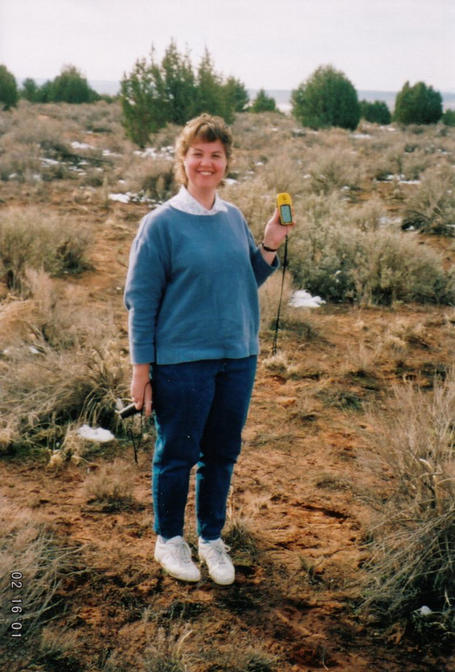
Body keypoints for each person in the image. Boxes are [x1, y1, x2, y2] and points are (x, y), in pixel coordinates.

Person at [124, 113, 293, 585]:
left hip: (238, 356)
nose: (207, 162)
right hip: (181, 361)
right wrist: (141, 370)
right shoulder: (159, 224)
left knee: (221, 453)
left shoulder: (232, 217)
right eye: (197, 153)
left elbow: (248, 280)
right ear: (183, 160)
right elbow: (141, 302)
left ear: (226, 162)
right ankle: (168, 539)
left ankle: (211, 538)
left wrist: (269, 245)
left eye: (216, 155)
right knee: (177, 453)